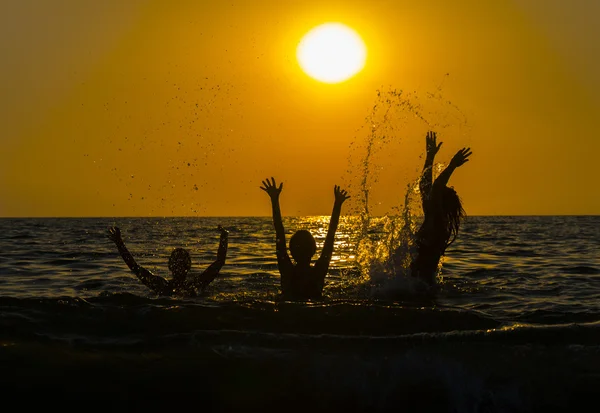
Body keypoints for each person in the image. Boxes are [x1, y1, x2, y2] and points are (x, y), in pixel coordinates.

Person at [260, 177, 350, 300]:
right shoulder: (318, 272)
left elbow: (279, 232)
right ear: (314, 250)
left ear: (291, 252)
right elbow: (330, 235)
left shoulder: (287, 271)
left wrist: (275, 200)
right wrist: (337, 204)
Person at [402, 131, 472, 286]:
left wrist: (452, 166)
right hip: (420, 287)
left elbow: (435, 189)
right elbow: (425, 187)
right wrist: (430, 156)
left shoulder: (439, 224)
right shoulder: (433, 218)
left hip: (422, 290)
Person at [106, 225, 228, 296]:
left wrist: (119, 242)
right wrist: (224, 236)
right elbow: (219, 262)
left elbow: (134, 267)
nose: (179, 266)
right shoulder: (194, 285)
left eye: (181, 263)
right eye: (178, 262)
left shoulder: (163, 286)